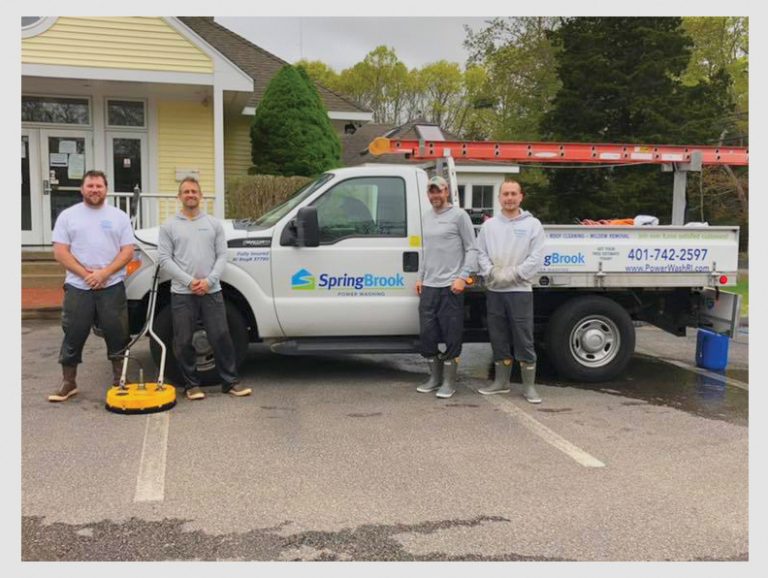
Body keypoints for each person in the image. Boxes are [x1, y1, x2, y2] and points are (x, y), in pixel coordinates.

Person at [157, 177, 251, 401]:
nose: (190, 195)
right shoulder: (169, 225)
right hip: (182, 293)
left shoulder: (213, 224)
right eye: (186, 191)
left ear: (201, 196)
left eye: (194, 191)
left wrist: (209, 280)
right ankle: (191, 385)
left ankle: (230, 382)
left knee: (221, 336)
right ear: (179, 197)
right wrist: (190, 282)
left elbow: (222, 256)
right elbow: (164, 259)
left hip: (212, 290)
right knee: (183, 340)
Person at [48, 170, 135, 402]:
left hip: (112, 284)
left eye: (99, 186)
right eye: (90, 186)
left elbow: (127, 251)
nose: (94, 190)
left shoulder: (119, 216)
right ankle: (69, 382)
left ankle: (120, 379)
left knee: (117, 332)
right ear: (82, 189)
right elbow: (60, 251)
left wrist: (104, 273)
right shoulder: (68, 216)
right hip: (78, 285)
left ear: (106, 189)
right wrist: (87, 275)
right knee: (73, 333)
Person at [476, 180, 546, 403]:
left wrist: (514, 274)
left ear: (521, 197)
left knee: (523, 338)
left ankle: (529, 387)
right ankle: (501, 382)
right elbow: (481, 253)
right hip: (495, 290)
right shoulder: (489, 227)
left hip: (520, 291)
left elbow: (536, 257)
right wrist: (492, 273)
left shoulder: (533, 225)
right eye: (505, 194)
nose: (509, 198)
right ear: (499, 198)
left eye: (513, 194)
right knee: (499, 336)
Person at [415, 175, 477, 399]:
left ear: (446, 191)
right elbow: (426, 250)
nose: (435, 196)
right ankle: (434, 378)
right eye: (431, 192)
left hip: (450, 287)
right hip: (429, 286)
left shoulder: (459, 216)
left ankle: (449, 382)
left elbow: (472, 249)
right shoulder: (426, 218)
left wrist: (462, 277)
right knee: (427, 335)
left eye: (438, 191)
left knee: (452, 336)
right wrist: (421, 277)